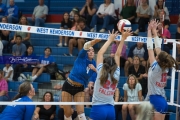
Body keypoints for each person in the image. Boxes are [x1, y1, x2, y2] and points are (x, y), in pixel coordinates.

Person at [89, 30, 132, 120]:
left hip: (98, 108)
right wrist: (123, 39)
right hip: (110, 110)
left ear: (105, 64)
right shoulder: (117, 73)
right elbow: (117, 55)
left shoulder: (100, 71)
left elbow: (100, 53)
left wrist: (110, 39)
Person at [145, 19, 178, 120]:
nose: (156, 54)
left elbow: (150, 48)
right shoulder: (166, 66)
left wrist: (149, 31)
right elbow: (157, 47)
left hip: (155, 100)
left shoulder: (156, 68)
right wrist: (155, 31)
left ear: (158, 59)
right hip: (162, 100)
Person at [61, 39, 100, 120]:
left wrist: (91, 81)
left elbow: (95, 76)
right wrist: (95, 41)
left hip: (79, 88)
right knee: (67, 113)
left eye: (93, 50)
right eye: (89, 50)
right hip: (68, 85)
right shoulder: (81, 57)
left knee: (81, 113)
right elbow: (86, 45)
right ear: (86, 52)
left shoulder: (94, 64)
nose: (91, 52)